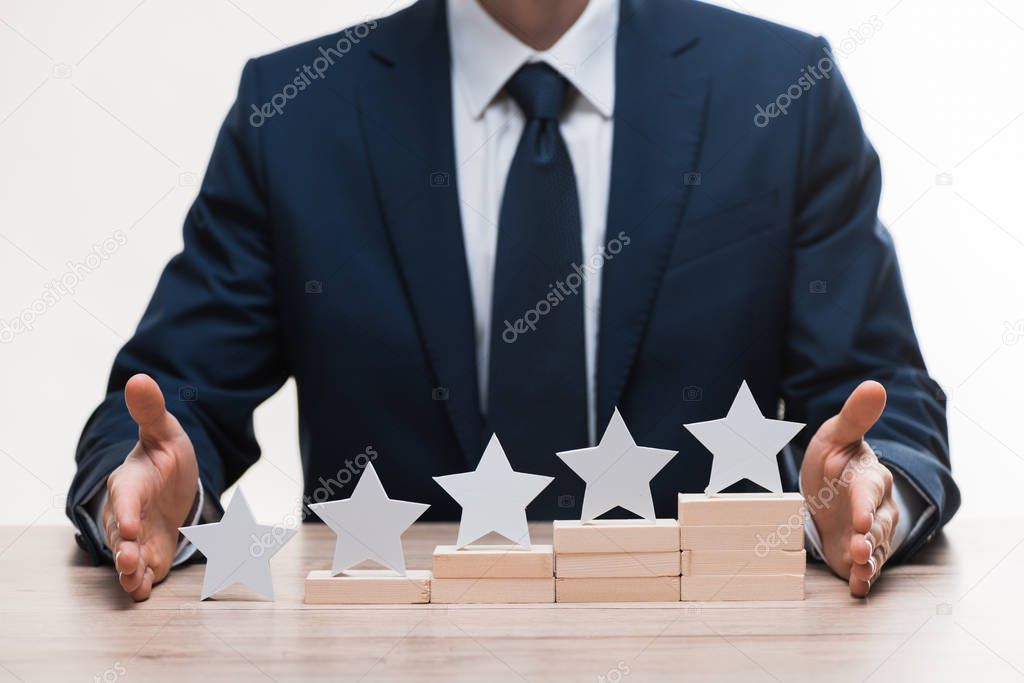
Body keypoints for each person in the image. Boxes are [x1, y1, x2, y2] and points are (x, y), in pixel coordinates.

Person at [67, 0, 959, 601]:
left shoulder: (782, 93)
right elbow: (169, 402)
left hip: (704, 645)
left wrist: (870, 493)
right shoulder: (296, 111)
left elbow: (879, 401)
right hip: (395, 652)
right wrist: (144, 494)